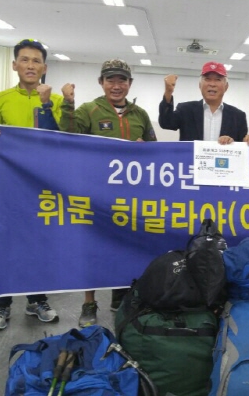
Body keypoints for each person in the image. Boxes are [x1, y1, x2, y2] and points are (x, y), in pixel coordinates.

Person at [59, 59, 157, 328]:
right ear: (101, 83)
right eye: (110, 80)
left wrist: (145, 149)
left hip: (130, 195)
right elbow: (67, 137)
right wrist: (67, 104)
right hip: (95, 193)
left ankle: (121, 296)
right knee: (93, 248)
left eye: (121, 80)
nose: (116, 85)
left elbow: (154, 149)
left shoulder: (140, 114)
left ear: (129, 84)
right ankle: (89, 303)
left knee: (126, 246)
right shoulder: (88, 110)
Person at [0, 39, 63, 331]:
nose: (30, 66)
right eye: (25, 60)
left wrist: (46, 104)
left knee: (39, 242)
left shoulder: (56, 101)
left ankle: (37, 300)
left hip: (43, 184)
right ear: (14, 65)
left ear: (44, 67)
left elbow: (60, 139)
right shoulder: (1, 99)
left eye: (36, 61)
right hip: (10, 183)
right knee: (5, 240)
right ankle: (1, 304)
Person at [159, 61, 247, 144]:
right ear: (200, 85)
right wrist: (168, 92)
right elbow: (166, 123)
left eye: (218, 80)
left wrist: (245, 141)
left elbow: (243, 146)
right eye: (207, 79)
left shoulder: (238, 117)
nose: (212, 84)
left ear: (226, 87)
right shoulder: (186, 110)